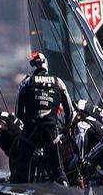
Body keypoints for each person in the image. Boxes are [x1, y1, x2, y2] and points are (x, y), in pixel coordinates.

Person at [12, 52, 73, 185]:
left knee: (21, 168)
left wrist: (28, 122)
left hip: (31, 130)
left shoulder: (26, 82)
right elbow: (70, 113)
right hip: (51, 130)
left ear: (31, 67)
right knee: (58, 170)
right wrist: (63, 129)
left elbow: (18, 112)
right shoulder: (58, 82)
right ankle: (67, 193)